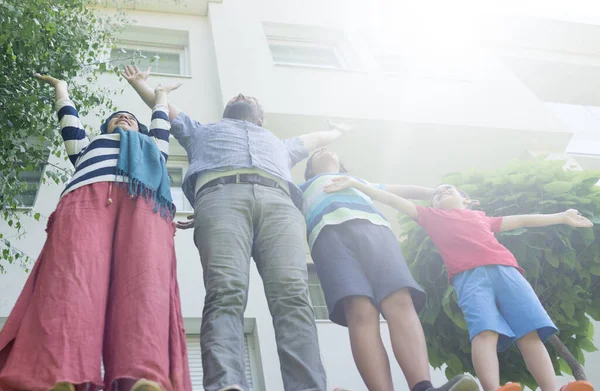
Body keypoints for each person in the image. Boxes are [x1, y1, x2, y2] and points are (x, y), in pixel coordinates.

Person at [123, 64, 353, 391]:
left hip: (280, 205)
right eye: (237, 96)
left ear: (260, 118)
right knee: (225, 291)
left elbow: (315, 138)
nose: (242, 96)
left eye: (250, 98)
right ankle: (226, 385)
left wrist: (338, 132)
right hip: (220, 198)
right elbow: (164, 109)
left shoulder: (282, 143)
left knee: (293, 296)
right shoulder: (200, 130)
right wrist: (140, 84)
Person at [0, 73, 191, 391]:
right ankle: (61, 375)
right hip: (86, 201)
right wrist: (61, 89)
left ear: (140, 128)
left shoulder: (153, 148)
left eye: (130, 117)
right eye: (117, 117)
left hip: (145, 205)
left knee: (144, 287)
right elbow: (69, 122)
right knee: (72, 283)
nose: (124, 117)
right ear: (105, 128)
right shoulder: (87, 148)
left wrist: (160, 95)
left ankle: (143, 379)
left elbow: (161, 123)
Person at [323, 177, 596, 391]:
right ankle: (494, 388)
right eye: (436, 192)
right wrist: (357, 184)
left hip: (508, 272)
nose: (441, 192)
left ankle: (551, 389)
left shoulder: (481, 218)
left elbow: (523, 219)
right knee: (485, 333)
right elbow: (392, 199)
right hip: (470, 279)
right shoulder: (431, 217)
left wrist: (562, 216)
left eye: (448, 189)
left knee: (530, 333)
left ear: (466, 199)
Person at [301, 147, 480, 391]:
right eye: (316, 153)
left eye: (329, 149)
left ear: (341, 164)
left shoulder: (360, 183)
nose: (323, 150)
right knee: (359, 311)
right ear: (309, 169)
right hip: (327, 237)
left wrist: (434, 192)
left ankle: (422, 387)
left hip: (376, 230)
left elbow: (400, 190)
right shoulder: (301, 189)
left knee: (400, 300)